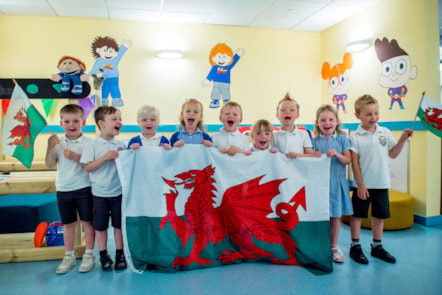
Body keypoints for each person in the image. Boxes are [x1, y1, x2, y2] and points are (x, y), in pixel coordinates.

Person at [349, 94, 412, 264]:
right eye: (368, 114)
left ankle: (377, 246)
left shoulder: (385, 132)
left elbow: (393, 153)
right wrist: (360, 185)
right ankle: (355, 246)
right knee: (357, 216)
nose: (373, 117)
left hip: (382, 183)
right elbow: (354, 163)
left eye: (376, 113)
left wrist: (403, 139)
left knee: (379, 216)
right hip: (363, 185)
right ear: (358, 116)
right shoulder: (355, 136)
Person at [45, 104, 95, 274]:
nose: (71, 124)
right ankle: (69, 256)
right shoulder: (57, 142)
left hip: (84, 188)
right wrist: (50, 147)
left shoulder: (89, 142)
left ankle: (89, 254)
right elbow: (50, 164)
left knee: (88, 223)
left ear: (84, 122)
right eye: (67, 121)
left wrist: (75, 156)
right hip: (63, 189)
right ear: (61, 123)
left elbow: (91, 165)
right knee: (68, 224)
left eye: (76, 121)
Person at [80, 106, 127, 271]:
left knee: (119, 225)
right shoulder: (92, 145)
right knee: (100, 227)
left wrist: (121, 161)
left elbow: (127, 168)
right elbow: (87, 167)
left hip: (118, 193)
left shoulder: (121, 145)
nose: (119, 122)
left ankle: (120, 254)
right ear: (101, 124)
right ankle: (103, 255)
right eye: (114, 119)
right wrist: (105, 158)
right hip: (99, 194)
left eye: (120, 119)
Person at [311, 105, 352, 263]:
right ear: (317, 123)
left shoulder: (342, 139)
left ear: (337, 122)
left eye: (330, 119)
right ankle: (320, 244)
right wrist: (313, 155)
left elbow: (348, 160)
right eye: (323, 120)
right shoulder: (314, 141)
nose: (327, 123)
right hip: (318, 185)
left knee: (335, 216)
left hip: (337, 183)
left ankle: (333, 246)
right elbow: (309, 160)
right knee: (321, 214)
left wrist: (337, 154)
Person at [272, 93, 315, 158]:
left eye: (292, 110)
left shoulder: (303, 134)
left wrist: (298, 155)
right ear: (277, 115)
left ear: (297, 115)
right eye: (283, 110)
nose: (287, 112)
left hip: (299, 167)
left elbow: (310, 155)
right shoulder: (274, 136)